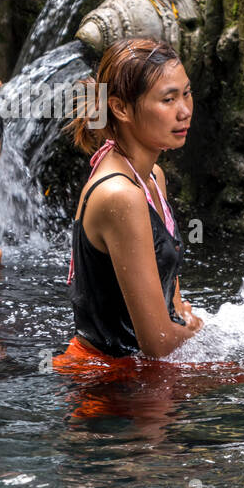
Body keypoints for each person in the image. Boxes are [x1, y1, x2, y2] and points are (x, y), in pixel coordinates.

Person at [54, 38, 202, 365]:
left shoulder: (151, 178)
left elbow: (168, 295)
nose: (185, 111)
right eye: (168, 99)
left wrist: (181, 315)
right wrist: (203, 334)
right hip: (105, 384)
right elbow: (159, 344)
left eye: (187, 93)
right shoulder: (120, 195)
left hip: (138, 374)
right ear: (120, 108)